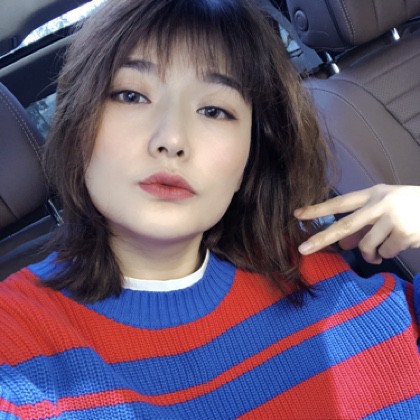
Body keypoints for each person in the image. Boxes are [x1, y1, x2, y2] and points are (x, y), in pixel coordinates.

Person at [0, 0, 419, 418]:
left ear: (249, 157)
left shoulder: (310, 268)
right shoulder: (18, 337)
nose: (171, 139)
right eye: (131, 95)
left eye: (214, 110)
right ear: (77, 127)